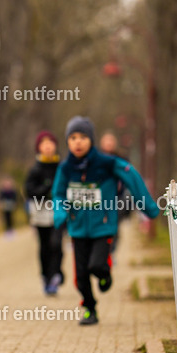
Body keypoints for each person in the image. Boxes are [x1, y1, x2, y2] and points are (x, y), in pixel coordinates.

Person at [53, 116, 159, 326]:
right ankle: (89, 309)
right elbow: (58, 193)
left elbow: (132, 177)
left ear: (91, 140)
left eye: (83, 137)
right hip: (78, 228)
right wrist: (60, 212)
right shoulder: (66, 168)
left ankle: (105, 275)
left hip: (103, 226)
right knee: (80, 276)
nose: (78, 142)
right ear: (67, 142)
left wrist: (148, 207)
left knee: (97, 265)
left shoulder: (106, 163)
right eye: (73, 137)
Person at [24, 131, 64, 295]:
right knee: (44, 246)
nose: (48, 147)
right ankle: (46, 276)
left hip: (58, 211)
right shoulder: (35, 169)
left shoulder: (62, 167)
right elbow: (29, 191)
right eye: (44, 144)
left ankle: (56, 274)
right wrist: (46, 188)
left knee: (56, 244)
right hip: (40, 212)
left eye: (51, 143)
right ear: (38, 148)